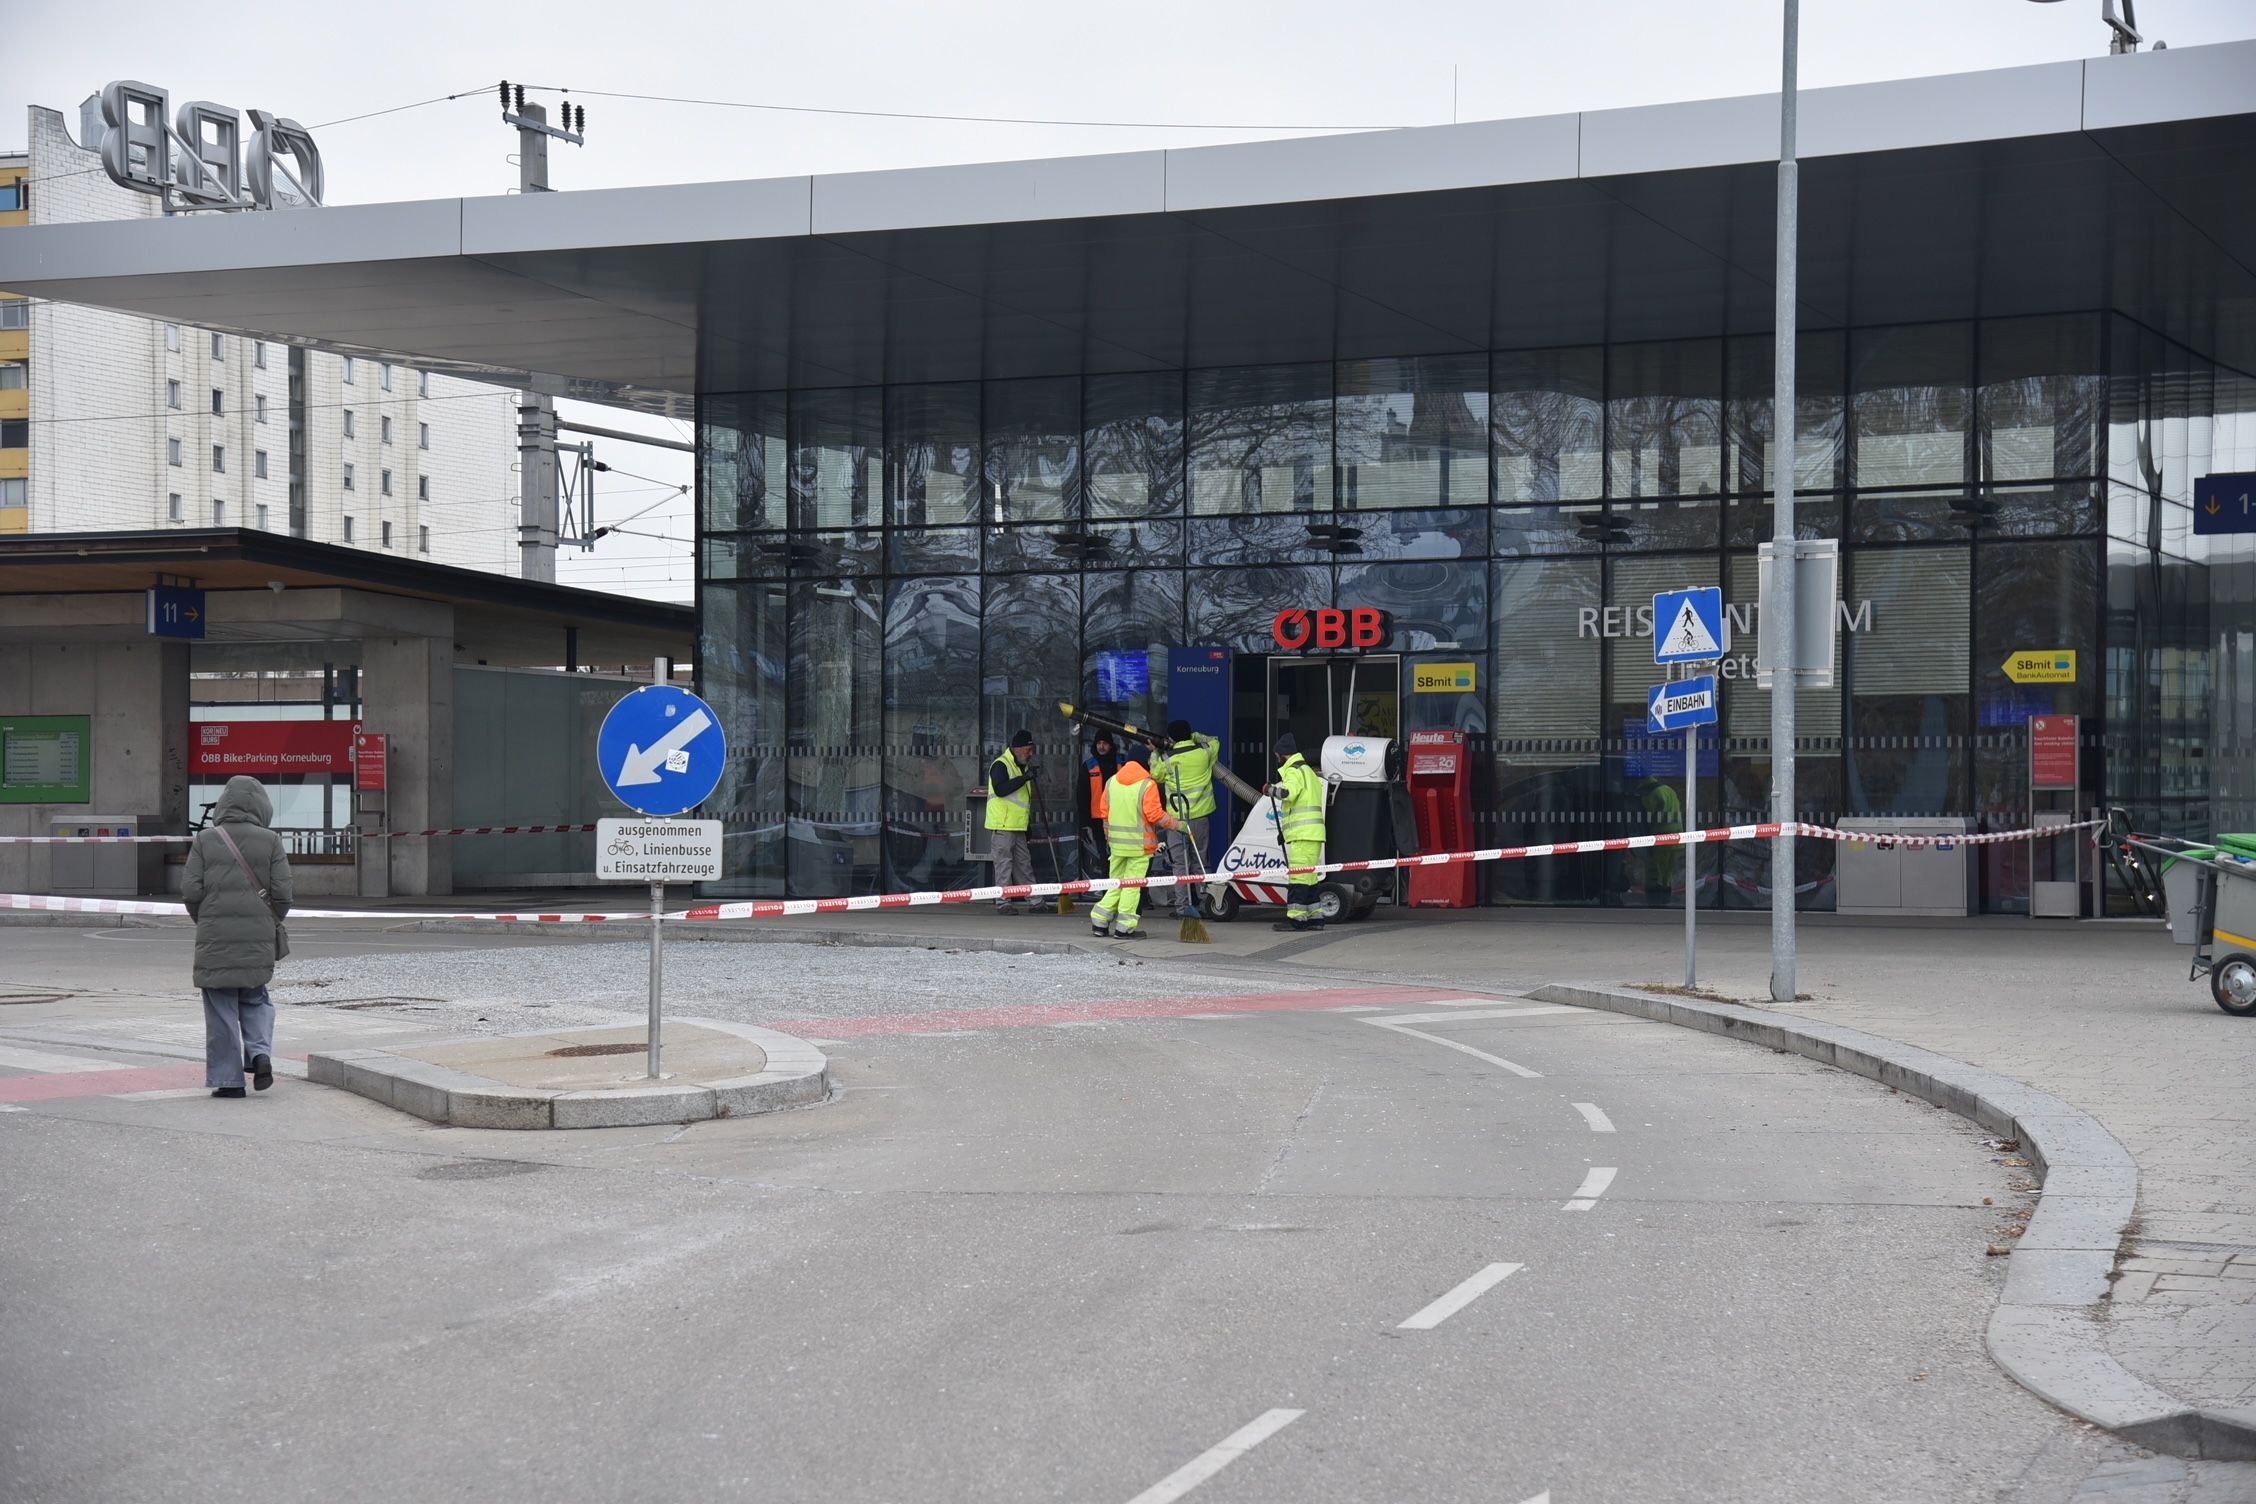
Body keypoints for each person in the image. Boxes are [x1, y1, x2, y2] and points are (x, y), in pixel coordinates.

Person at [182, 774, 294, 1098]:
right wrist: (267, 921)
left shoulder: (205, 839)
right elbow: (283, 894)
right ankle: (260, 1055)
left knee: (221, 1007)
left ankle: (229, 1081)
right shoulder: (270, 840)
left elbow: (191, 891)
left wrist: (204, 920)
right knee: (256, 997)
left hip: (215, 938)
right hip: (257, 938)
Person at [1089, 740, 1182, 940]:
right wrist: (1178, 825)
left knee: (1116, 883)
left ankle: (1099, 921)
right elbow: (1155, 815)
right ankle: (1124, 928)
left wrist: (1109, 839)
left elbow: (1104, 814)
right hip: (1140, 848)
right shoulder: (1147, 784)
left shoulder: (1111, 782)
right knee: (1132, 886)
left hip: (1116, 846)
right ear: (1144, 762)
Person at [1151, 719, 1221, 914]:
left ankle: (1182, 907)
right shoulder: (1205, 753)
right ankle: (1207, 903)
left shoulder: (1166, 758)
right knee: (1200, 861)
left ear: (1171, 738)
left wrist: (1155, 752)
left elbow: (1155, 774)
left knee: (1180, 864)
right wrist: (1196, 736)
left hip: (1177, 821)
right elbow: (1215, 741)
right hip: (1200, 818)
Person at [1266, 733, 1328, 933]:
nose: (1277, 759)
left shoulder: (1294, 772)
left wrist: (1270, 789)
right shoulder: (1309, 771)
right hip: (1313, 834)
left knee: (1299, 878)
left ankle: (1296, 919)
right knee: (1309, 877)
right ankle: (1315, 918)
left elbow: (1287, 794)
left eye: (1277, 756)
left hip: (1303, 835)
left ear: (1282, 755)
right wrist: (1286, 832)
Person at [985, 729, 1039, 915]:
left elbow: (1022, 803)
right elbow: (1001, 790)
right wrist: (1024, 778)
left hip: (1017, 826)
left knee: (1024, 864)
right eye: (1028, 750)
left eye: (1032, 750)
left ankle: (1035, 901)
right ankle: (1003, 902)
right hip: (1003, 826)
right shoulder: (1001, 765)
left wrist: (1027, 826)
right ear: (1016, 749)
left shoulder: (1020, 768)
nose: (1030, 754)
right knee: (1004, 865)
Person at [1082, 730, 1119, 880]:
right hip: (1098, 821)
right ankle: (1106, 894)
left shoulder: (1121, 764)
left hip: (1120, 819)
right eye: (1098, 743)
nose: (1101, 747)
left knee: (1118, 860)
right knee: (1104, 860)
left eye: (1104, 743)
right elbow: (1082, 796)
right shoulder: (1089, 766)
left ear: (1111, 745)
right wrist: (1085, 824)